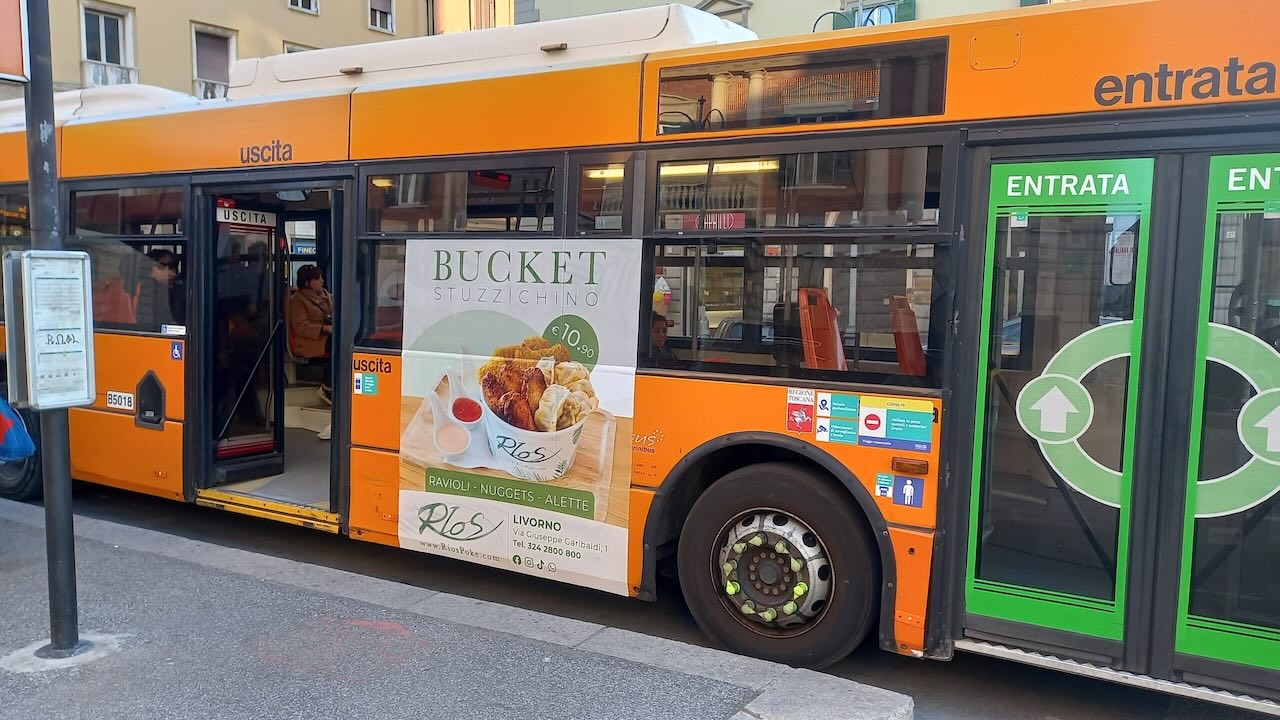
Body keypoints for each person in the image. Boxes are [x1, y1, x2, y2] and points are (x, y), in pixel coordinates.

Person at [289, 264, 334, 440]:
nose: (322, 281)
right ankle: (327, 387)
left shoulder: (326, 295)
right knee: (342, 349)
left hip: (325, 337)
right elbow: (300, 327)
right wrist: (324, 328)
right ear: (308, 282)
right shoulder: (298, 300)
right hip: (311, 341)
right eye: (318, 278)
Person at [134, 249, 185, 329]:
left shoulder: (181, 289)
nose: (169, 271)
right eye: (162, 266)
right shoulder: (148, 292)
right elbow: (146, 325)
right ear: (150, 270)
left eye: (172, 266)